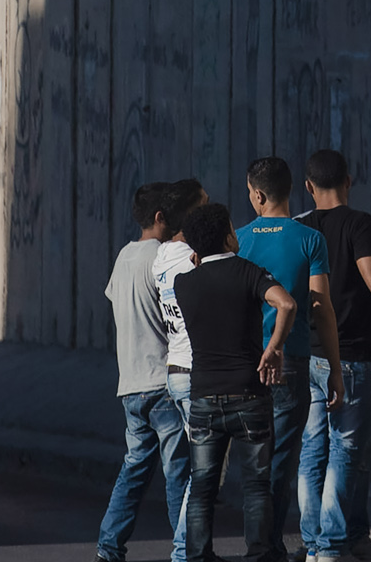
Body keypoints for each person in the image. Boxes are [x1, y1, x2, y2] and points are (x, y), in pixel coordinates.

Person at [298, 150, 371, 562]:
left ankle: (315, 543)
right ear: (350, 178)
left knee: (313, 450)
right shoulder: (359, 223)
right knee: (345, 451)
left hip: (310, 355)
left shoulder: (300, 228)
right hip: (351, 356)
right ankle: (331, 545)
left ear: (308, 187)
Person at [173, 201, 299, 562]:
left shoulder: (185, 283)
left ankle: (198, 555)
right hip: (250, 391)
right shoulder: (249, 272)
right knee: (257, 485)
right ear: (229, 235)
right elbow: (286, 305)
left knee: (202, 486)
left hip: (203, 397)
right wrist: (274, 348)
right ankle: (259, 553)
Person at [238, 156, 343, 549]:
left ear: (259, 195)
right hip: (292, 363)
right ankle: (268, 545)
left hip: (247, 363)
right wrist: (334, 368)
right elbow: (321, 308)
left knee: (253, 463)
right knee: (281, 463)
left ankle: (258, 547)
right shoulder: (310, 239)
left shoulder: (239, 239)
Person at [97, 182, 190, 562]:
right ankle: (186, 549)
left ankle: (108, 547)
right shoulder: (163, 256)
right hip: (162, 381)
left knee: (134, 468)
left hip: (130, 384)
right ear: (159, 218)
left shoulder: (123, 257)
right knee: (178, 471)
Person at [152, 178, 212, 552]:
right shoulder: (191, 260)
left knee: (202, 469)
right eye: (203, 205)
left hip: (177, 369)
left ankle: (195, 550)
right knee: (203, 473)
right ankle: (182, 551)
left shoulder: (161, 257)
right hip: (194, 372)